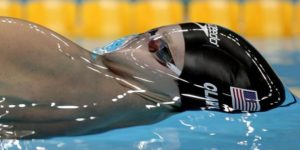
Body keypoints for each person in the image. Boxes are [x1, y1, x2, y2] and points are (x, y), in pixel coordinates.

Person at [0, 17, 297, 139]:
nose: (148, 39)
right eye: (155, 32)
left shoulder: (38, 49)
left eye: (162, 52)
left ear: (188, 93)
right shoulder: (140, 119)